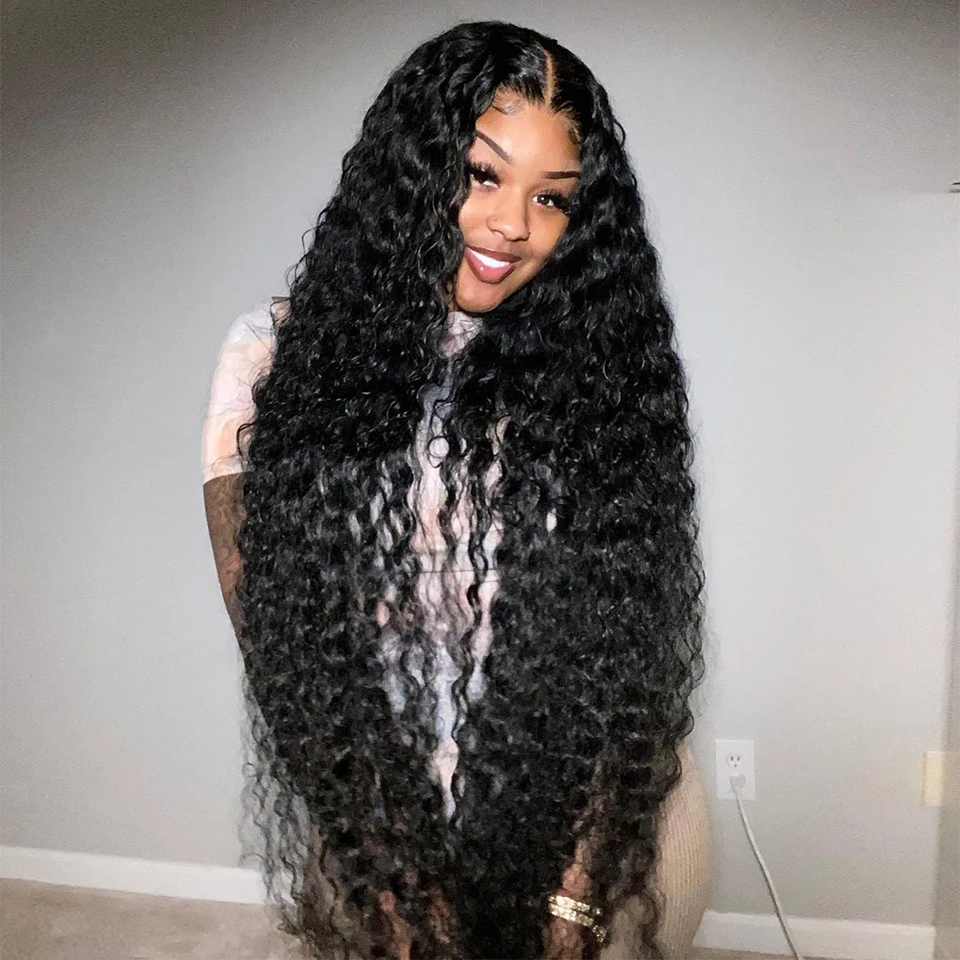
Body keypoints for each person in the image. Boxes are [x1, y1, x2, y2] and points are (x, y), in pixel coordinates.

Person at [202, 20, 709, 960]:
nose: (513, 224)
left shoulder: (605, 367)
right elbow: (279, 642)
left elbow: (631, 649)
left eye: (552, 198)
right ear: (412, 170)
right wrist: (402, 896)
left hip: (601, 811)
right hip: (373, 815)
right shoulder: (272, 358)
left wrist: (575, 901)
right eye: (482, 174)